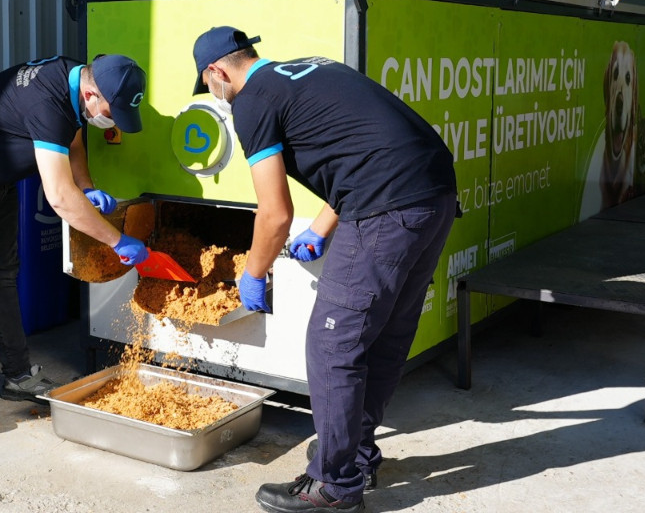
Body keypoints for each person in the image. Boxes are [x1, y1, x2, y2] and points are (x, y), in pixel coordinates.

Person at [191, 26, 459, 512]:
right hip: (434, 195)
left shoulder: (251, 102)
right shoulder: (309, 68)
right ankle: (354, 457)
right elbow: (359, 150)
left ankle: (334, 487)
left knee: (332, 345)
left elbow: (274, 214)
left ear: (217, 71)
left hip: (387, 207)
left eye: (208, 85)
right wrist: (322, 227)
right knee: (384, 335)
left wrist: (254, 271)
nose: (213, 93)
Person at [0, 54, 150, 434]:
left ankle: (18, 376)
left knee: (5, 275)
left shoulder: (74, 80)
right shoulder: (48, 101)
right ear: (91, 93)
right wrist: (116, 239)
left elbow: (73, 136)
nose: (112, 120)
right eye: (112, 110)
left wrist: (87, 186)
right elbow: (59, 198)